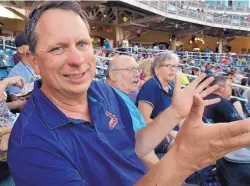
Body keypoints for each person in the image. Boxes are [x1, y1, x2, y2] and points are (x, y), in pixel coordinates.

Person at [7, 2, 250, 186]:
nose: (77, 60)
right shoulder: (29, 143)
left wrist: (176, 113)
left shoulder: (101, 91)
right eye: (58, 48)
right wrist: (183, 161)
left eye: (82, 44)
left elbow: (132, 146)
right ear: (33, 61)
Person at [107, 55, 160, 170]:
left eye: (137, 70)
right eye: (131, 70)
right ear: (113, 75)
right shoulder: (114, 102)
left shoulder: (122, 97)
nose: (137, 74)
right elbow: (141, 153)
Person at [203, 75, 250, 186]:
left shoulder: (207, 99)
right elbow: (240, 126)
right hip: (222, 152)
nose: (232, 89)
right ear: (221, 88)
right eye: (230, 86)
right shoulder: (221, 102)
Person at [7, 32, 37, 110]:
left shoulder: (41, 66)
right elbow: (19, 105)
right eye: (30, 43)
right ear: (20, 49)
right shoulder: (15, 72)